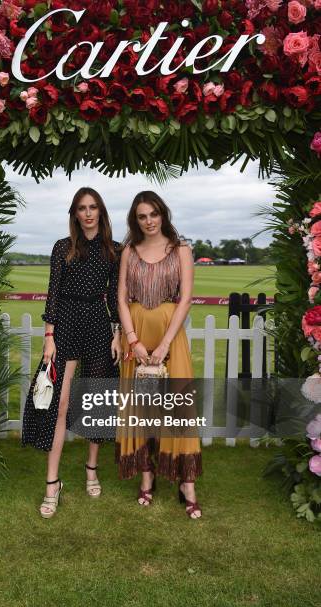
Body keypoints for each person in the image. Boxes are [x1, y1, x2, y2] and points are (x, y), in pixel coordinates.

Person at [22, 187, 122, 518]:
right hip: (64, 322)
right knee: (59, 402)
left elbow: (117, 299)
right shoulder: (62, 248)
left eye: (94, 207)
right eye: (82, 208)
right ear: (75, 213)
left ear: (101, 212)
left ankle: (91, 468)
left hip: (97, 322)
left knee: (96, 399)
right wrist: (49, 336)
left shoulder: (113, 250)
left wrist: (117, 332)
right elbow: (52, 294)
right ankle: (53, 482)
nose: (88, 213)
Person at [116, 191, 202, 519]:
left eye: (153, 214)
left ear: (163, 214)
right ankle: (147, 476)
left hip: (170, 335)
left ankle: (186, 483)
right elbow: (122, 299)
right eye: (142, 216)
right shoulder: (129, 252)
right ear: (135, 220)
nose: (149, 221)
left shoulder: (180, 250)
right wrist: (133, 341)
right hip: (136, 335)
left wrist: (165, 343)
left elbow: (186, 299)